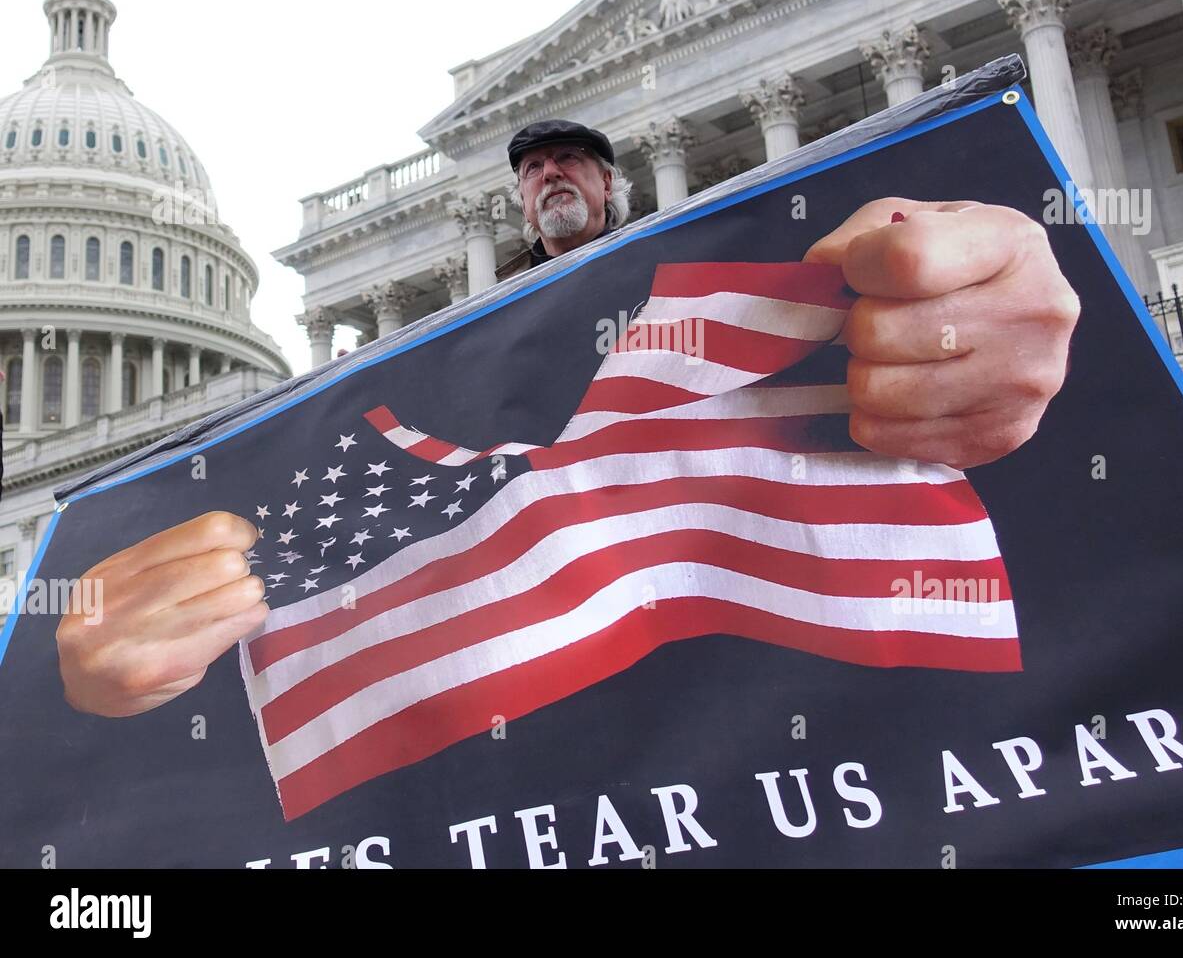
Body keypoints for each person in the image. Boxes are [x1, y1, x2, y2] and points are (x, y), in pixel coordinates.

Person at [56, 118, 1080, 718]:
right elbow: (361, 466)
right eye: (534, 169)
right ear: (516, 200)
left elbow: (846, 333)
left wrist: (970, 312)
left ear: (607, 183)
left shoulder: (702, 274)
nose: (552, 176)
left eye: (572, 163)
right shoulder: (463, 333)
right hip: (565, 644)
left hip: (712, 622)